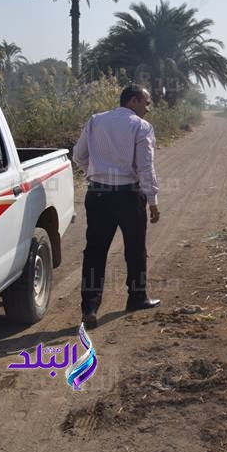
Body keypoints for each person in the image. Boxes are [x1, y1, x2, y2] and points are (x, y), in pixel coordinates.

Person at [73, 84, 161, 328]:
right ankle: (137, 297)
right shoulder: (141, 127)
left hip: (98, 193)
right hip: (128, 195)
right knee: (134, 249)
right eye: (146, 102)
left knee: (95, 251)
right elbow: (145, 167)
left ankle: (90, 306)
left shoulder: (95, 120)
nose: (148, 108)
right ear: (133, 101)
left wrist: (95, 173)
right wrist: (152, 200)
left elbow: (78, 155)